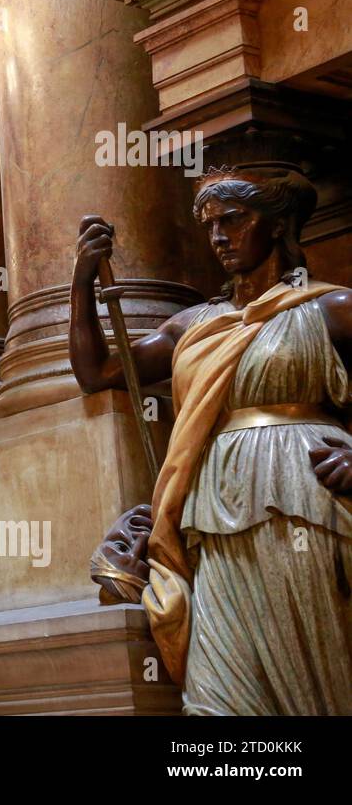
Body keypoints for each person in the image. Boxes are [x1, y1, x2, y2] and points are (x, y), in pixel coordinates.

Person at [69, 164, 352, 714]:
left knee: (309, 675)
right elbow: (98, 371)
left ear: (276, 225)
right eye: (209, 224)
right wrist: (82, 280)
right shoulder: (194, 325)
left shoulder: (331, 308)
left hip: (302, 502)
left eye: (234, 219)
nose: (219, 235)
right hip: (209, 513)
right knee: (217, 691)